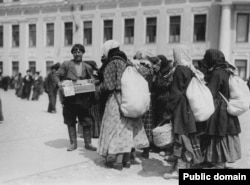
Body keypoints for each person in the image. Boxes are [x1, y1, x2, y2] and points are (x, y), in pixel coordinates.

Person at [97, 40, 149, 170]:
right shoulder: (126, 61)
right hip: (129, 97)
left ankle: (116, 160)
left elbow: (109, 85)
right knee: (126, 129)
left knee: (115, 130)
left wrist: (98, 86)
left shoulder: (112, 63)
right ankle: (126, 160)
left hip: (116, 99)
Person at [163, 45, 203, 179]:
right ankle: (183, 167)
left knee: (181, 139)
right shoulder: (189, 69)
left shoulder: (180, 70)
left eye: (175, 55)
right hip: (187, 108)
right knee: (185, 137)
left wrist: (168, 110)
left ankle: (179, 170)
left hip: (181, 109)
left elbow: (176, 93)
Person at [202, 49, 241, 169]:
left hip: (219, 108)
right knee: (224, 134)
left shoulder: (216, 73)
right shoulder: (227, 71)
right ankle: (220, 162)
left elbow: (211, 92)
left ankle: (219, 163)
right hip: (226, 106)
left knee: (217, 134)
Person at [54, 44, 97, 152]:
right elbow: (57, 75)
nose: (77, 54)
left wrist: (93, 81)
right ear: (72, 53)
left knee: (87, 121)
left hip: (83, 99)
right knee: (70, 121)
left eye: (79, 52)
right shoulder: (66, 64)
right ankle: (73, 143)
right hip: (70, 98)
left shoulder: (87, 67)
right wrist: (59, 83)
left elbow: (93, 79)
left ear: (83, 53)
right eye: (75, 52)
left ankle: (88, 143)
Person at [133, 49, 155, 158]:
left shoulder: (136, 68)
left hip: (136, 98)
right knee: (147, 124)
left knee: (134, 123)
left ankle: (132, 149)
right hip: (147, 98)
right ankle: (146, 149)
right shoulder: (151, 69)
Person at [153, 55, 174, 157]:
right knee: (159, 122)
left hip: (166, 100)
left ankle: (167, 146)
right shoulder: (160, 72)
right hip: (159, 100)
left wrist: (158, 76)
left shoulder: (169, 72)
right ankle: (159, 144)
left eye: (159, 63)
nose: (157, 65)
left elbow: (163, 85)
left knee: (166, 123)